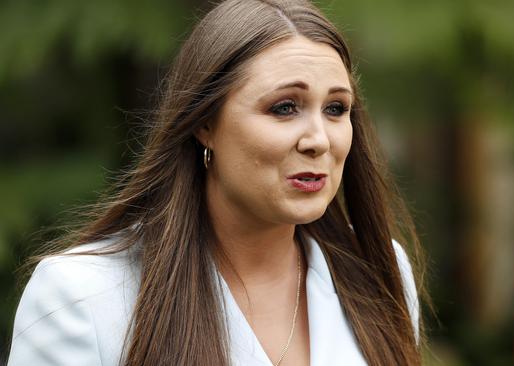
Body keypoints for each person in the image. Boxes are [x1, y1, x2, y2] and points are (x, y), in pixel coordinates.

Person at [6, 0, 425, 365]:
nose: (318, 139)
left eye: (336, 108)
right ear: (205, 123)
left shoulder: (378, 269)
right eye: (284, 107)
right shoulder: (85, 297)